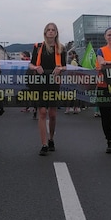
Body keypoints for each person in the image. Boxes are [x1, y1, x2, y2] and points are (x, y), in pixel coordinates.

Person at [28, 22, 66, 156]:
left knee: (53, 114)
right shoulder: (38, 47)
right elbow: (31, 64)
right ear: (45, 32)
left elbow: (65, 66)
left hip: (54, 83)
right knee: (42, 112)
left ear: (56, 33)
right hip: (40, 83)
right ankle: (43, 144)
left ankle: (51, 139)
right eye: (48, 30)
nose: (50, 32)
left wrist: (60, 68)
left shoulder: (61, 48)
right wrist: (35, 68)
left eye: (53, 30)